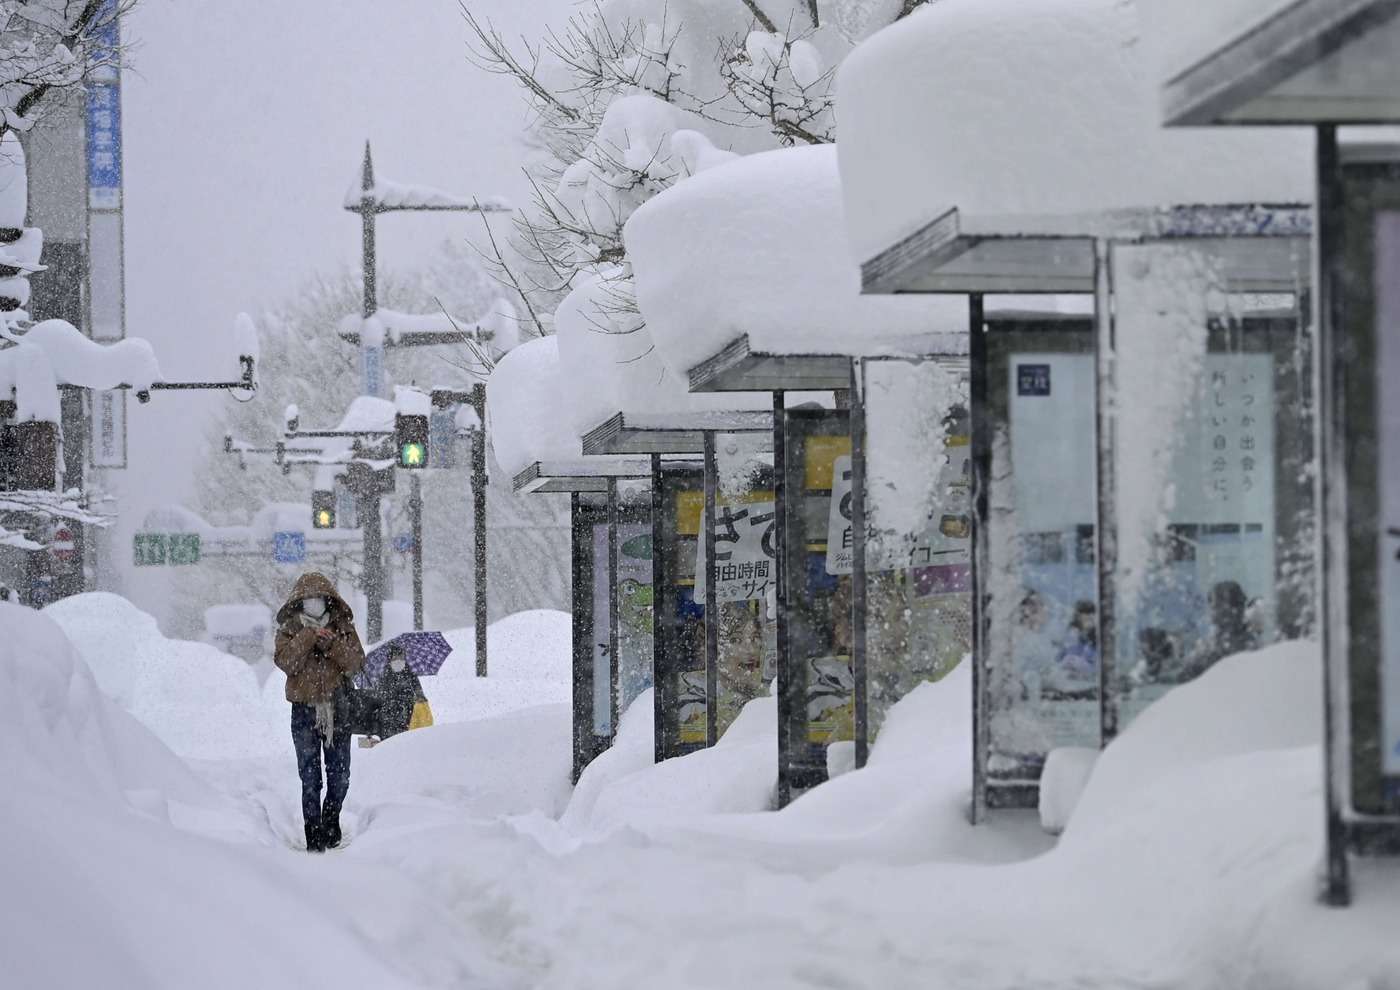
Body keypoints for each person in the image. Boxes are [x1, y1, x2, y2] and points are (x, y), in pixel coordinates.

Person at [274, 572, 365, 852]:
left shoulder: (343, 627)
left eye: (319, 599)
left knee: (340, 776)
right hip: (303, 711)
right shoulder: (290, 629)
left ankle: (331, 820)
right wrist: (307, 638)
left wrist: (330, 643)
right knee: (310, 777)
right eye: (308, 600)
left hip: (338, 709)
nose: (314, 604)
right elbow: (286, 662)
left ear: (329, 601)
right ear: (300, 602)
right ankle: (313, 834)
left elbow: (356, 663)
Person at [375, 642, 428, 739]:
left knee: (407, 740)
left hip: (409, 716)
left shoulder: (410, 673)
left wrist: (419, 697)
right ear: (390, 659)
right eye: (395, 658)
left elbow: (418, 691)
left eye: (401, 657)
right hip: (390, 720)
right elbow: (380, 697)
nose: (398, 660)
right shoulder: (385, 676)